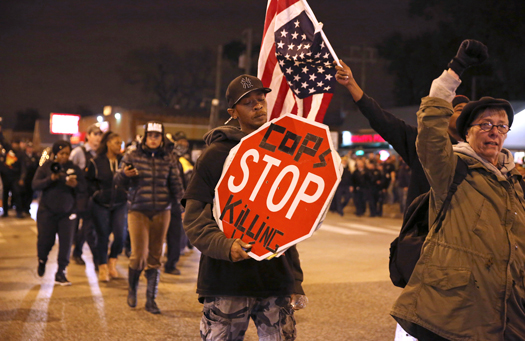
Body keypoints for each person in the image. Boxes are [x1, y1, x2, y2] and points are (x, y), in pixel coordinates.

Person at [392, 40, 525, 340]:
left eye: (502, 126)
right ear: (467, 132)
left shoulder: (515, 183)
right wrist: (456, 70)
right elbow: (430, 129)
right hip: (453, 316)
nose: (495, 131)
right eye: (485, 124)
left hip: (507, 318)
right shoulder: (452, 168)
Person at [182, 74, 306, 340]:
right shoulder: (215, 155)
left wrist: (295, 281)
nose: (258, 106)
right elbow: (194, 220)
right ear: (232, 112)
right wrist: (227, 246)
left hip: (275, 281)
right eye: (248, 102)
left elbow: (286, 223)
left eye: (260, 99)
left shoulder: (280, 152)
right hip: (226, 282)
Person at [115, 121, 184, 314]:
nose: (153, 139)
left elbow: (177, 185)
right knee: (139, 255)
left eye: (157, 136)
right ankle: (132, 289)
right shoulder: (132, 155)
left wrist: (185, 207)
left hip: (162, 211)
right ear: (144, 137)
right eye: (150, 135)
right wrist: (123, 174)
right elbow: (117, 180)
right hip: (138, 210)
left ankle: (151, 300)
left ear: (162, 138)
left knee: (155, 256)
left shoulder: (169, 158)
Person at [32, 140, 86, 285]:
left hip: (68, 212)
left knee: (66, 243)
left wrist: (75, 185)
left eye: (67, 154)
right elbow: (35, 184)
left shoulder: (74, 168)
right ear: (55, 153)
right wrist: (52, 178)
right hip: (47, 212)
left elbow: (84, 188)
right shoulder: (46, 167)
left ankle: (61, 271)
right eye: (62, 153)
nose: (64, 156)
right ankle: (42, 260)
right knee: (45, 240)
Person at [86, 131, 127, 282]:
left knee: (120, 235)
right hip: (100, 204)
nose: (119, 145)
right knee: (102, 235)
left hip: (120, 203)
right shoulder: (96, 162)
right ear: (108, 143)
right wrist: (96, 194)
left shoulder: (124, 161)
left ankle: (112, 261)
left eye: (121, 143)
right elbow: (88, 182)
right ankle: (102, 267)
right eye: (117, 142)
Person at [70, 123, 102, 267]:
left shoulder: (101, 153)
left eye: (100, 134)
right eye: (95, 134)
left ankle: (78, 252)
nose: (98, 138)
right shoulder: (79, 152)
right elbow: (69, 170)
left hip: (96, 195)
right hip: (81, 195)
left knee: (88, 226)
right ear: (88, 136)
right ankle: (93, 257)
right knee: (85, 226)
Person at [21, 142, 40, 216]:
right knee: (23, 194)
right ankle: (23, 208)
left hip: (32, 178)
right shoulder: (23, 156)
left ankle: (27, 208)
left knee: (30, 194)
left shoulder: (35, 157)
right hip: (25, 178)